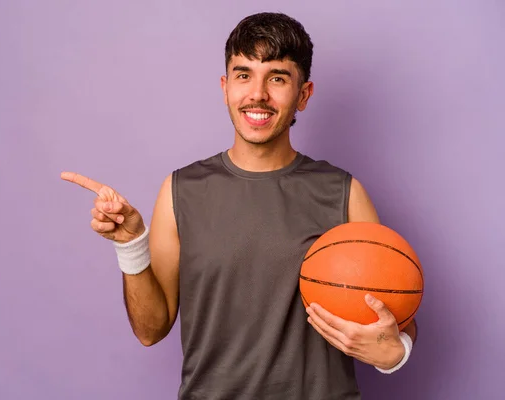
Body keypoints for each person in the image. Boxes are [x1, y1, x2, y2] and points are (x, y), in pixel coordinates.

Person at [61, 12, 418, 400]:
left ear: (304, 94)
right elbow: (151, 330)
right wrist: (130, 244)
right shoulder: (181, 190)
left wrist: (395, 353)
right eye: (244, 74)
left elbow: (394, 315)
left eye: (277, 78)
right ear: (225, 86)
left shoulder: (343, 193)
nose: (258, 94)